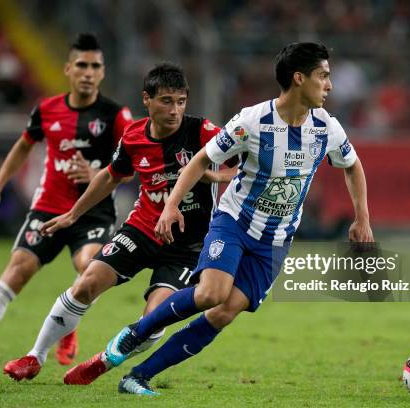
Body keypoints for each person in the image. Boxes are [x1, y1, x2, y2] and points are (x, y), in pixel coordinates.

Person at [89, 42, 374, 396]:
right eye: (324, 76)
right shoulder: (252, 121)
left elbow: (352, 166)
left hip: (275, 241)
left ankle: (138, 377)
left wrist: (362, 219)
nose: (329, 85)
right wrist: (171, 204)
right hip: (234, 223)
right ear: (299, 79)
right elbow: (200, 161)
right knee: (211, 293)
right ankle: (137, 332)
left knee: (224, 313)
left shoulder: (326, 127)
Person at [1, 62, 237, 382]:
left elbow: (240, 169)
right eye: (166, 101)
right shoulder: (134, 136)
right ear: (147, 99)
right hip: (141, 228)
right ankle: (34, 356)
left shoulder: (203, 132)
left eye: (180, 102)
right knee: (86, 283)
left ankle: (103, 362)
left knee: (155, 317)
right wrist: (73, 214)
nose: (174, 110)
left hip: (187, 244)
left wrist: (211, 174)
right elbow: (111, 177)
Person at [0, 33, 134, 368]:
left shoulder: (116, 116)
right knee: (18, 270)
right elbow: (22, 147)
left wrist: (97, 177)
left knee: (88, 267)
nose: (88, 72)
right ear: (68, 69)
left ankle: (66, 324)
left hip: (93, 213)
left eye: (95, 66)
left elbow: (133, 166)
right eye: (82, 65)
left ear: (103, 72)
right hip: (47, 208)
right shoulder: (47, 110)